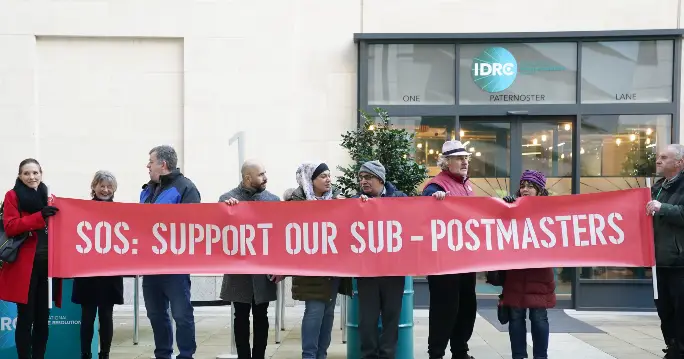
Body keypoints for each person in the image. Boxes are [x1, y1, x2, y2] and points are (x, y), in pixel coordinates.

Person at [284, 162, 352, 359]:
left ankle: (321, 354)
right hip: (311, 268)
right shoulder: (297, 201)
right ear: (310, 180)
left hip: (333, 267)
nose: (328, 179)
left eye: (329, 175)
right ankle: (309, 355)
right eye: (323, 176)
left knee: (329, 312)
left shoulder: (337, 199)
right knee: (314, 311)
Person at [140, 145, 201, 359]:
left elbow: (193, 225)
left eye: (151, 161)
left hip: (175, 266)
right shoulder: (146, 190)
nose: (148, 165)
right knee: (156, 314)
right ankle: (163, 355)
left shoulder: (185, 188)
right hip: (150, 265)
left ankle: (186, 355)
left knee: (181, 314)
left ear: (163, 164)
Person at [219, 160, 284, 359]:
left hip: (263, 271)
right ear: (248, 178)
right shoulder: (227, 198)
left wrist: (281, 267)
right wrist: (226, 210)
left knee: (261, 316)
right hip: (239, 271)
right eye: (261, 174)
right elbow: (219, 231)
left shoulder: (273, 200)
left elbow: (280, 237)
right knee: (240, 317)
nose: (265, 178)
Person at [0, 158, 60, 359]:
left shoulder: (49, 196)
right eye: (26, 173)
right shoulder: (12, 196)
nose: (31, 177)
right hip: (25, 267)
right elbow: (11, 226)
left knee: (43, 319)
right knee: (26, 318)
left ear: (41, 174)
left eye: (35, 173)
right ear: (19, 176)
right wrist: (39, 216)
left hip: (47, 267)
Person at [423, 140, 477, 359]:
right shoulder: (436, 186)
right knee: (445, 310)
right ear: (446, 163)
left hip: (466, 259)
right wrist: (433, 200)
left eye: (466, 158)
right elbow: (422, 209)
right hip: (444, 263)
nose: (464, 162)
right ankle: (436, 354)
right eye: (458, 158)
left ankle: (460, 352)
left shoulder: (466, 184)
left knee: (466, 308)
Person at [353, 160, 407, 359]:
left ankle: (387, 355)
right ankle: (369, 355)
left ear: (380, 179)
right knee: (367, 320)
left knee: (392, 318)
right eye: (361, 178)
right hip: (367, 272)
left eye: (368, 177)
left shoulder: (401, 198)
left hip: (394, 270)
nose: (363, 182)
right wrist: (357, 206)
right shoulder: (357, 200)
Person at [501, 170, 556, 359]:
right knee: (515, 316)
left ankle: (541, 357)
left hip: (539, 273)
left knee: (538, 316)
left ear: (540, 190)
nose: (525, 189)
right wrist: (505, 207)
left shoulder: (550, 209)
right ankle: (518, 356)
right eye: (522, 185)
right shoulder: (510, 206)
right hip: (515, 272)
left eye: (530, 186)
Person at [71, 170, 124, 359]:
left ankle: (105, 355)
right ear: (94, 187)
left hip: (110, 272)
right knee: (87, 317)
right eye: (102, 185)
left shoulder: (121, 211)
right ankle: (85, 355)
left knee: (106, 317)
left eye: (109, 186)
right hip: (88, 272)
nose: (105, 189)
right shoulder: (82, 208)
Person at [647, 144, 684, 359]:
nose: (658, 161)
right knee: (665, 310)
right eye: (658, 157)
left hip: (679, 262)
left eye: (664, 157)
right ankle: (672, 347)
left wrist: (663, 208)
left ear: (679, 162)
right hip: (659, 261)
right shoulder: (657, 187)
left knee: (681, 311)